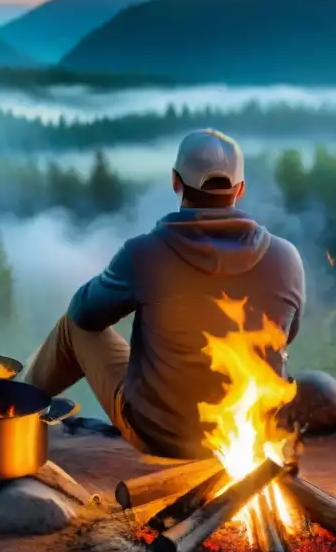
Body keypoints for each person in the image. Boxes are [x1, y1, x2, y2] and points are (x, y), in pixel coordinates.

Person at [21, 129, 305, 460]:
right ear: (240, 189)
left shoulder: (146, 253)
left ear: (175, 181)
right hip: (250, 432)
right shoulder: (286, 257)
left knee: (73, 327)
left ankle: (12, 411)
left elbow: (85, 313)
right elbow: (286, 337)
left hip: (163, 437)